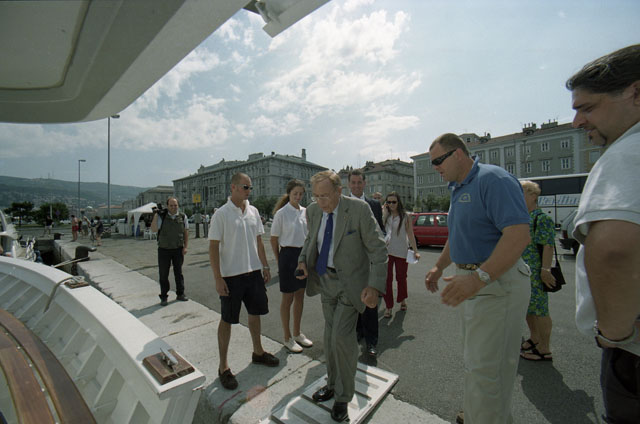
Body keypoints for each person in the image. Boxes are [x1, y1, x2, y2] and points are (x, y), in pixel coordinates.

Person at [424, 133, 531, 424]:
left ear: (458, 154)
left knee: (487, 369)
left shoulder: (493, 179)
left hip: (495, 282)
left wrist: (478, 278)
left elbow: (518, 235)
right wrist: (439, 267)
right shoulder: (459, 187)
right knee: (478, 365)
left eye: (438, 160)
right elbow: (458, 235)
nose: (435, 167)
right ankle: (479, 415)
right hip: (477, 281)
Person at [567, 44, 640, 423]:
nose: (577, 121)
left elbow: (613, 249)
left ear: (636, 93)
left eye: (588, 108)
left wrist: (615, 335)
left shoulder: (627, 152)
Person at [296, 170, 387, 422]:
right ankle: (332, 384)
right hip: (325, 281)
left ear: (339, 191)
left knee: (341, 337)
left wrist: (374, 286)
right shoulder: (313, 211)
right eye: (316, 196)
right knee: (329, 337)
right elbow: (310, 239)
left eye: (325, 196)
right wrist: (303, 261)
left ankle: (343, 397)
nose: (320, 202)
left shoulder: (358, 210)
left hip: (351, 284)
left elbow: (378, 249)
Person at [209, 172, 279, 391]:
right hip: (231, 276)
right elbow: (213, 248)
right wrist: (218, 278)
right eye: (245, 187)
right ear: (233, 187)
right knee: (227, 319)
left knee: (255, 313)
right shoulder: (221, 214)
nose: (249, 191)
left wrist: (265, 266)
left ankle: (258, 352)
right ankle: (223, 366)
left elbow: (259, 241)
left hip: (253, 272)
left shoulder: (253, 211)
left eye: (250, 187)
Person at [270, 179, 313, 353]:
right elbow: (273, 239)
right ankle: (287, 337)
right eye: (295, 193)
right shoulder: (281, 213)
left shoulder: (305, 212)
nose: (298, 196)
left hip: (302, 256)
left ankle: (297, 333)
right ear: (289, 193)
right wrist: (279, 259)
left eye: (301, 194)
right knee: (287, 298)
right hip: (287, 256)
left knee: (300, 296)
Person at [349, 169, 384, 357]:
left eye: (359, 182)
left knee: (370, 301)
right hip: (351, 262)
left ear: (365, 183)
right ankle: (358, 332)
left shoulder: (374, 205)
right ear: (349, 184)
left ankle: (372, 341)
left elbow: (381, 230)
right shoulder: (342, 204)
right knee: (354, 300)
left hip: (370, 261)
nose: (356, 186)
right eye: (353, 182)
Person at [519, 181, 556, 361]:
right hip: (523, 271)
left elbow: (548, 246)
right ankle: (534, 338)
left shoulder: (541, 219)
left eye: (522, 194)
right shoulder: (524, 217)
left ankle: (544, 348)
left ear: (533, 196)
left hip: (536, 272)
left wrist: (545, 270)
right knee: (529, 307)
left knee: (540, 310)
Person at [382, 191, 420, 318]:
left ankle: (402, 299)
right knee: (387, 280)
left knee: (401, 277)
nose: (391, 204)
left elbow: (410, 234)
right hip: (388, 251)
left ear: (398, 202)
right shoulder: (386, 215)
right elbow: (381, 231)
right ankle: (388, 306)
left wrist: (416, 251)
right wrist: (384, 214)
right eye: (389, 202)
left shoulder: (405, 216)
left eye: (394, 202)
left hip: (401, 251)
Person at [151, 197, 189, 306]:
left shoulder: (182, 216)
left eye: (175, 205)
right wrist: (156, 215)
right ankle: (164, 296)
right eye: (171, 205)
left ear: (178, 205)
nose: (173, 207)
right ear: (167, 206)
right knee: (163, 274)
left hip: (178, 249)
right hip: (164, 249)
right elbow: (154, 229)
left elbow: (186, 232)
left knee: (178, 273)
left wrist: (185, 247)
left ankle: (180, 294)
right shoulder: (162, 216)